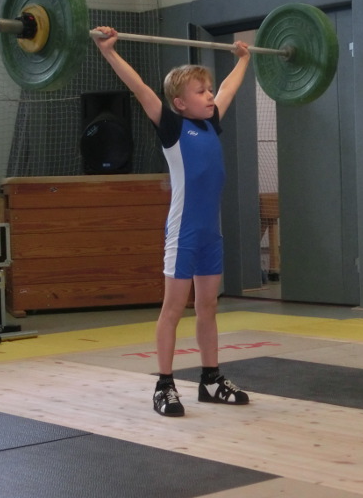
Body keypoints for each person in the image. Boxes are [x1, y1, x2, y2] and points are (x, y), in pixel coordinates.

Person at [92, 27, 251, 417]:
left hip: (210, 233)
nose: (210, 95)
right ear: (180, 102)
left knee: (208, 305)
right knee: (173, 308)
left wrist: (244, 60)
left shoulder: (211, 122)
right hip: (184, 232)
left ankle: (210, 380)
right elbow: (140, 88)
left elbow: (229, 89)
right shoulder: (172, 127)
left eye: (209, 89)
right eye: (201, 91)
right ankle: (164, 385)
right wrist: (109, 52)